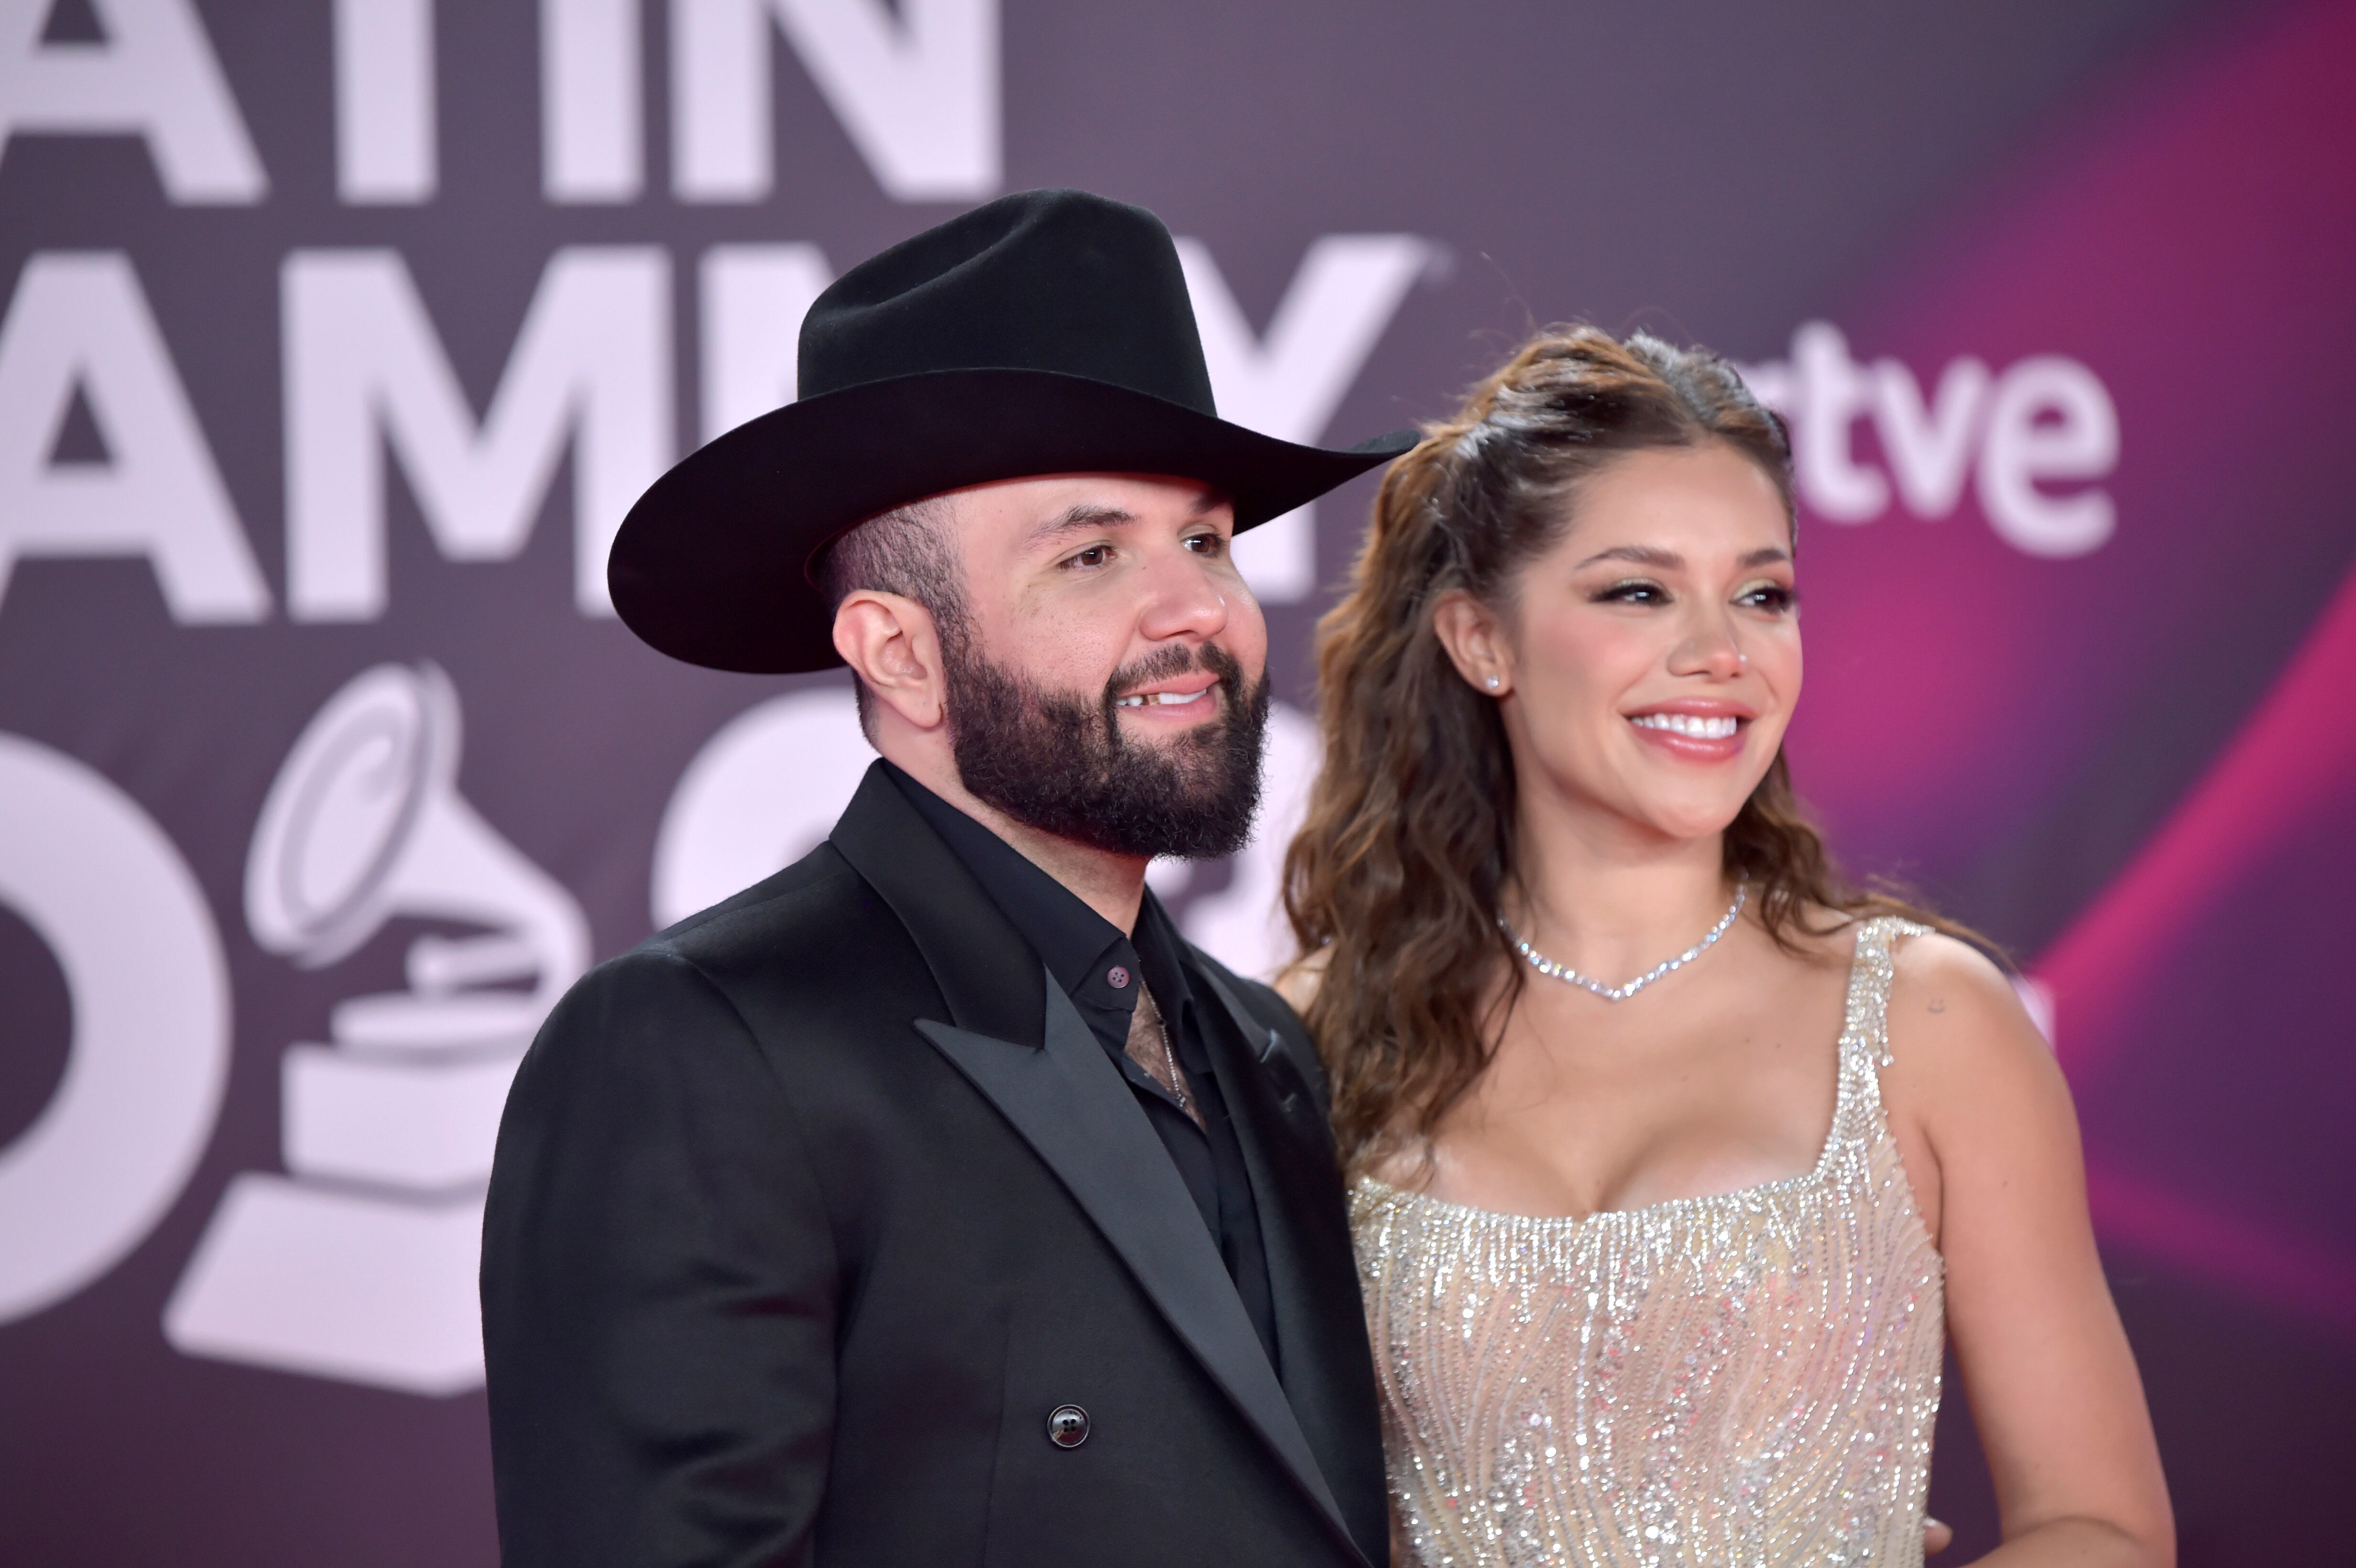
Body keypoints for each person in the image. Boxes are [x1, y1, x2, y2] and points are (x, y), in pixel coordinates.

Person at [480, 189, 1414, 1567]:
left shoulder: (1269, 1047)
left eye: (1207, 540)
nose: (1197, 611)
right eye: (1093, 553)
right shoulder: (695, 1054)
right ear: (897, 651)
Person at [1280, 327, 2174, 1568]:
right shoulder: (1312, 1035)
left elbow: (2103, 1528)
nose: (1723, 653)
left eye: (1762, 594)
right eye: (1639, 591)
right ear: (1483, 641)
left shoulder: (1929, 1021)